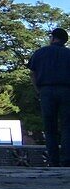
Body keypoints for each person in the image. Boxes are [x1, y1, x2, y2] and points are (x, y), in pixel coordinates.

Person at [27, 28, 70, 167]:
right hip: (66, 91)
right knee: (67, 126)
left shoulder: (40, 53)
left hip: (46, 91)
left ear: (53, 38)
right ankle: (66, 159)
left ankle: (53, 160)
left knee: (50, 127)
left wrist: (38, 91)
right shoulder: (68, 54)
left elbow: (32, 73)